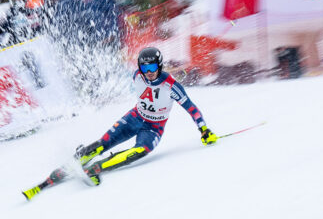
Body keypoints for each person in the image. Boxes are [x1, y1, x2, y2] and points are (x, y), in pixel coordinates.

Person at [74, 46, 218, 185]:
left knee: (141, 150)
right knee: (105, 142)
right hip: (134, 117)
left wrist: (204, 129)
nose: (148, 72)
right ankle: (82, 155)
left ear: (160, 66)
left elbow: (192, 108)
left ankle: (97, 168)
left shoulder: (171, 86)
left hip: (154, 127)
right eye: (144, 68)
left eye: (153, 68)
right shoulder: (137, 75)